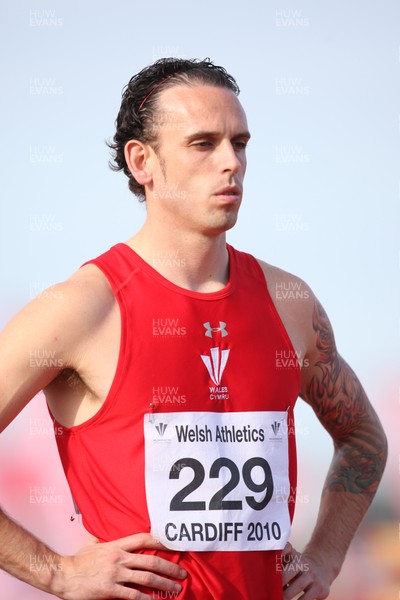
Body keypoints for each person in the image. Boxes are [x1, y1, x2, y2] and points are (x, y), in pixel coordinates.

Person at [0, 58, 387, 600]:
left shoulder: (289, 302)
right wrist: (55, 572)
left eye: (240, 142)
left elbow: (363, 439)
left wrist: (324, 557)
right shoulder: (83, 307)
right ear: (143, 162)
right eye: (203, 144)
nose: (231, 162)